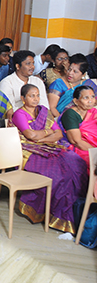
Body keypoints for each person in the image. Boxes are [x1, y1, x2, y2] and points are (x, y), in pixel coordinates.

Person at [12, 84, 88, 234]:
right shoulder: (19, 114)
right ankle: (54, 215)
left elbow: (59, 134)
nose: (36, 99)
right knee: (58, 175)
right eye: (31, 96)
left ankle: (78, 213)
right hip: (28, 151)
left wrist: (42, 136)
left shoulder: (44, 112)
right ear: (23, 98)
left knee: (76, 163)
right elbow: (30, 136)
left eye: (38, 95)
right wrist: (47, 134)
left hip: (49, 147)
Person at [60, 85, 97, 168]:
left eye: (92, 97)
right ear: (76, 101)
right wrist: (95, 153)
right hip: (78, 149)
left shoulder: (93, 112)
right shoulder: (70, 114)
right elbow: (76, 142)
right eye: (86, 98)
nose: (90, 101)